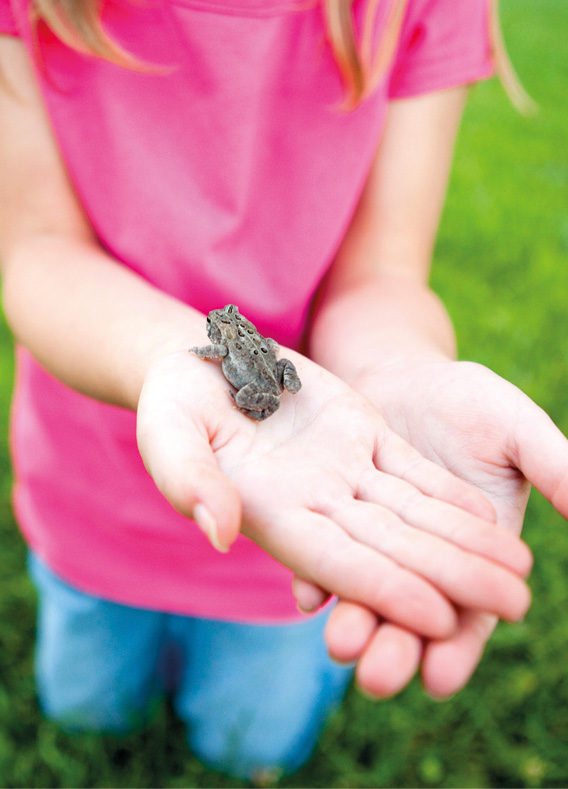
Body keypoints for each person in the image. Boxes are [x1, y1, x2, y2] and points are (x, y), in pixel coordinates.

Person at [0, 0, 567, 780]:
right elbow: (35, 247)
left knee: (252, 745)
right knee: (87, 709)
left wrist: (393, 371)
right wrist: (169, 352)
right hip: (89, 501)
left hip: (288, 529)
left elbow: (380, 275)